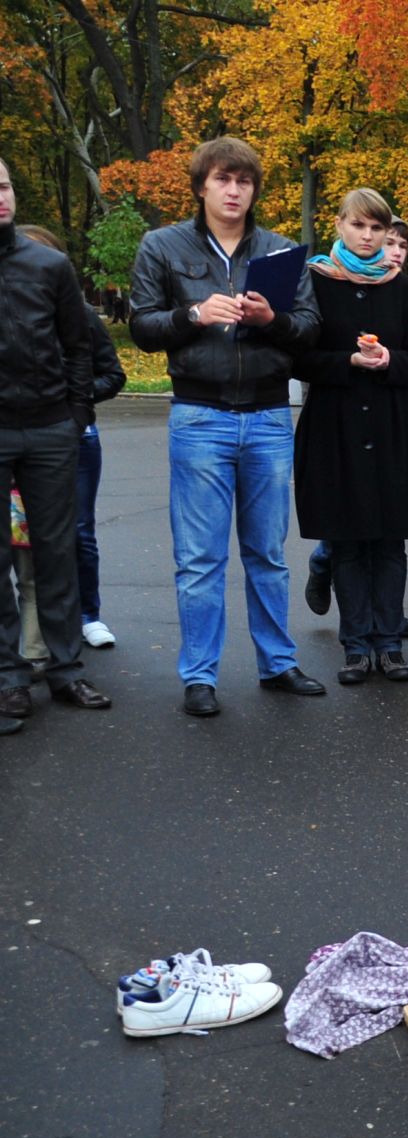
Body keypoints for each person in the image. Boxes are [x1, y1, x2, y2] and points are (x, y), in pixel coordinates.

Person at [130, 136, 328, 717]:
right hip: (200, 416)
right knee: (200, 558)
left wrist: (273, 319)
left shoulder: (281, 251)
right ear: (201, 186)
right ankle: (199, 676)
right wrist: (192, 314)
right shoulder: (162, 246)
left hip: (268, 416)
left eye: (243, 181)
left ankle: (278, 663)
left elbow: (311, 329)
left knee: (267, 551)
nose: (234, 190)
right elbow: (142, 326)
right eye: (223, 179)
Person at [293, 188, 408, 685]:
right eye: (359, 226)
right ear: (339, 226)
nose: (369, 236)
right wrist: (347, 362)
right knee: (349, 541)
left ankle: (390, 645)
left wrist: (391, 360)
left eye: (377, 228)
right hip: (336, 423)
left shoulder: (399, 285)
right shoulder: (314, 279)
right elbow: (298, 356)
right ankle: (356, 646)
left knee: (389, 541)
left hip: (391, 424)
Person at [0, 159, 115, 720]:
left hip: (50, 428)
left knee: (57, 553)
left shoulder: (50, 265)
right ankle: (9, 677)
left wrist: (75, 416)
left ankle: (66, 671)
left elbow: (79, 347)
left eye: (3, 185)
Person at [17, 223, 125, 650]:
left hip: (75, 438)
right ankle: (32, 630)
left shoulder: (78, 315)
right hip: (18, 438)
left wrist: (73, 406)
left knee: (78, 530)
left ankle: (87, 615)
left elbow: (112, 374)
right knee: (22, 541)